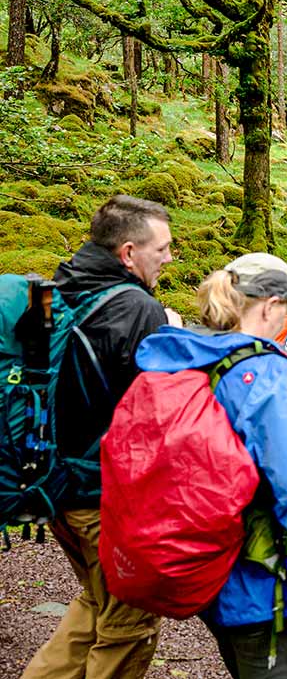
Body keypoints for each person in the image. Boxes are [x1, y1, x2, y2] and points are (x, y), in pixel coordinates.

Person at [134, 252, 287, 679]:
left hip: (210, 569)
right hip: (266, 582)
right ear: (270, 306)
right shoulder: (268, 376)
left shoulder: (187, 359)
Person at [23, 195, 182, 679]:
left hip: (52, 489)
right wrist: (170, 335)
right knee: (129, 620)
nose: (170, 258)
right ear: (129, 253)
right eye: (164, 249)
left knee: (96, 603)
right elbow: (157, 418)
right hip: (106, 498)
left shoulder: (52, 292)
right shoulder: (138, 309)